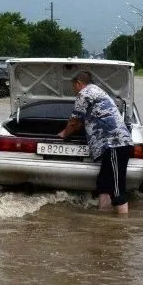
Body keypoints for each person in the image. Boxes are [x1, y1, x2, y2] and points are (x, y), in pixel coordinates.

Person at [57, 71, 133, 214]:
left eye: (75, 87)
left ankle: (123, 227)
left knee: (117, 188)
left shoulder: (85, 93)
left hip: (115, 144)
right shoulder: (97, 92)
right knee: (103, 183)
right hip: (110, 146)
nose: (75, 91)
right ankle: (103, 216)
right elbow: (82, 123)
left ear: (79, 83)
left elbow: (74, 122)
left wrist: (64, 134)